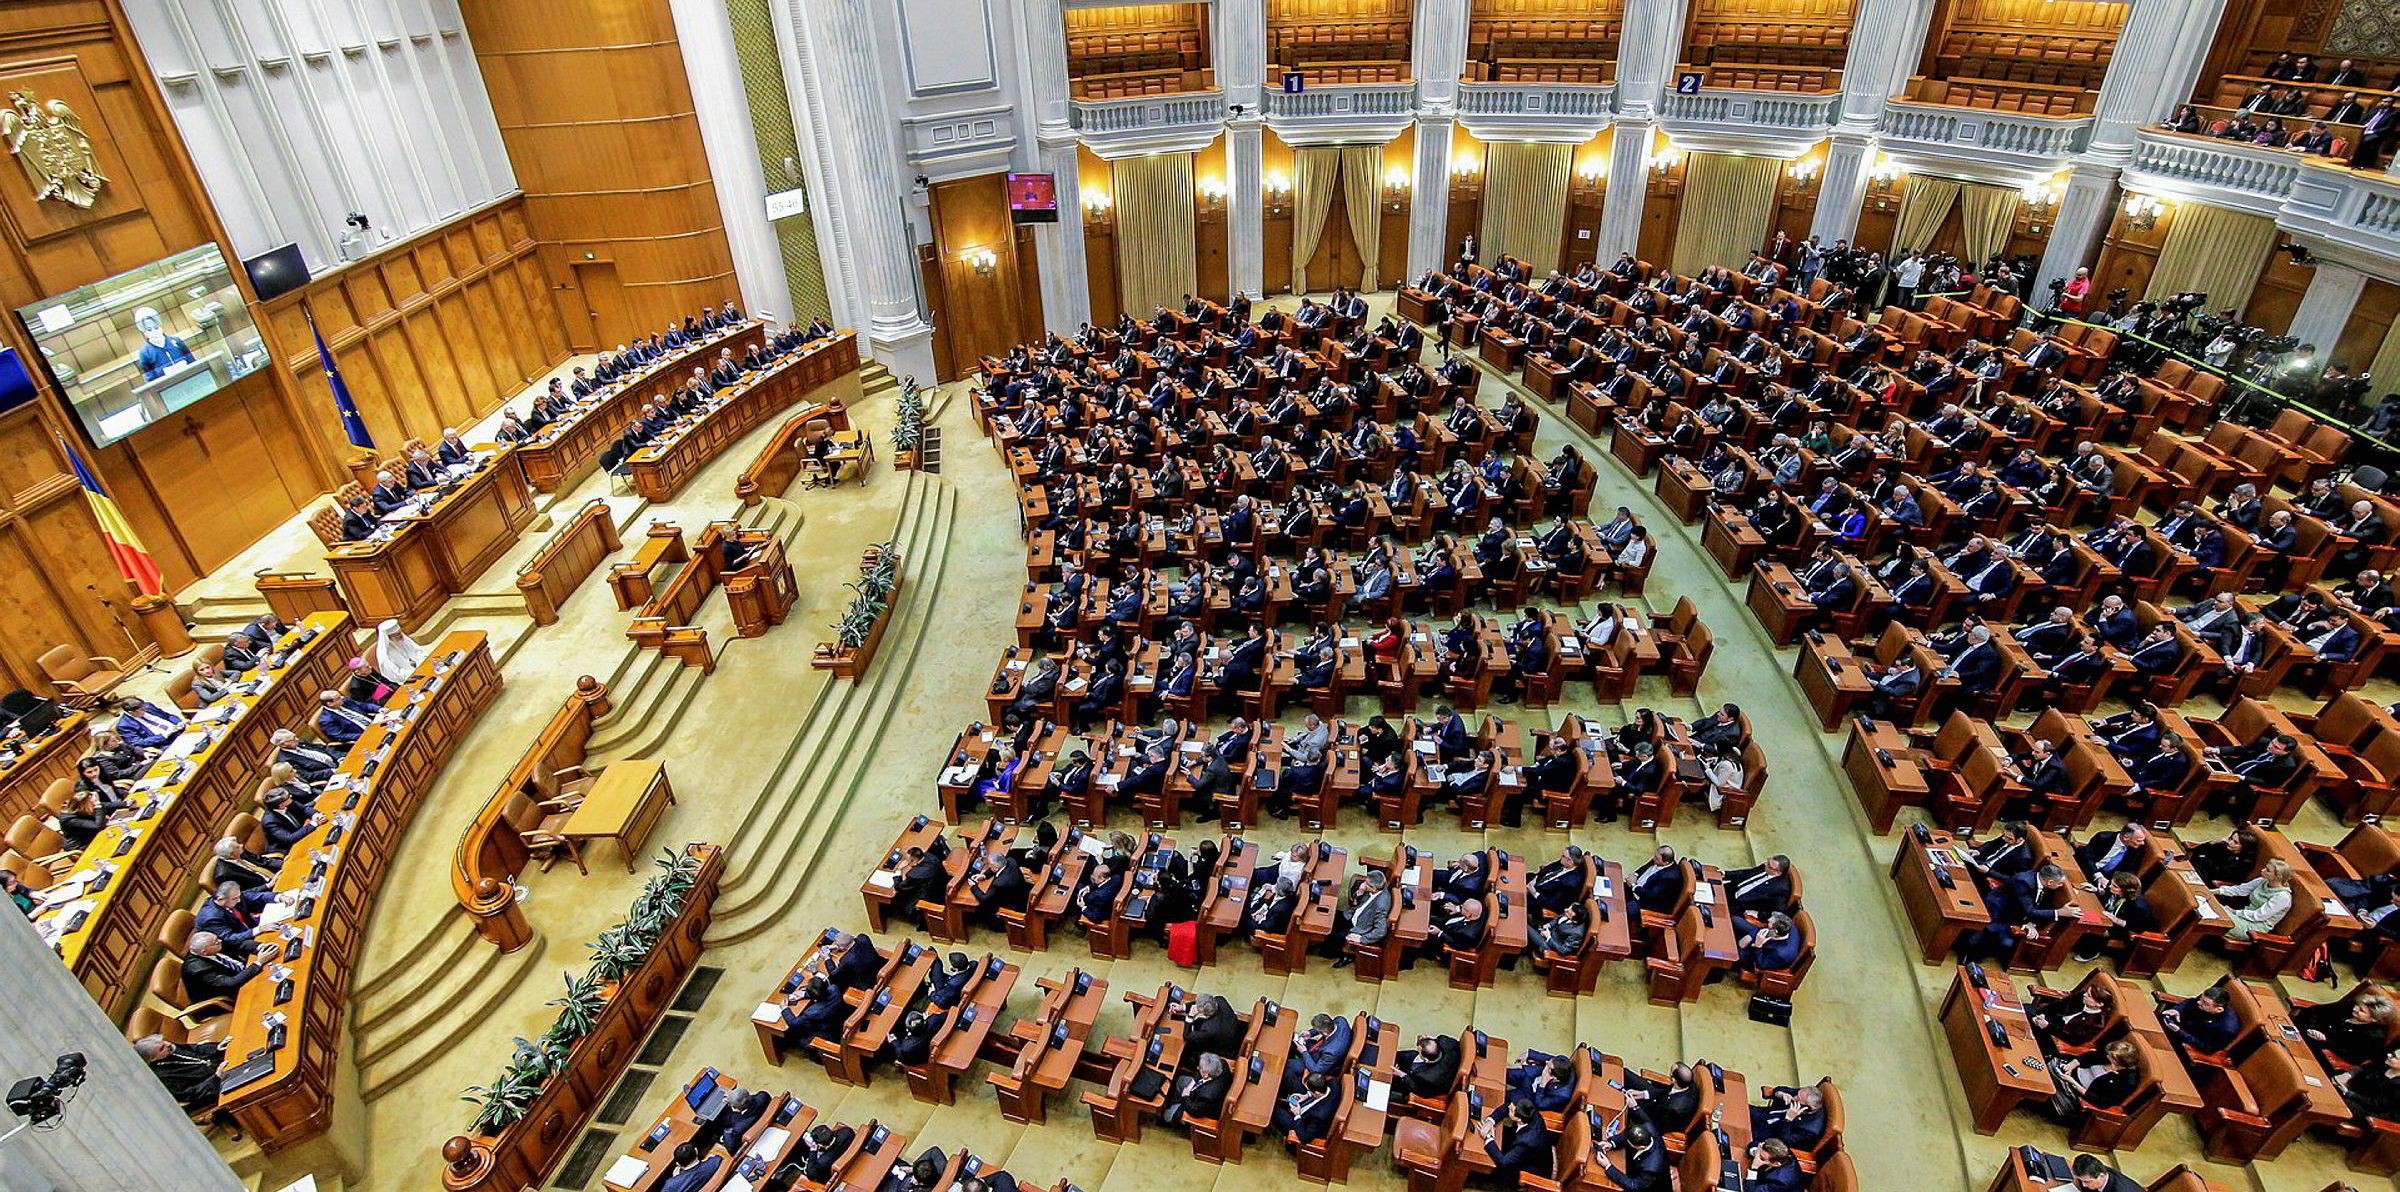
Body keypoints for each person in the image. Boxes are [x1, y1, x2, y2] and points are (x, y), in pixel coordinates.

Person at [134, 1033, 226, 1111]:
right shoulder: (163, 1078)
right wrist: (216, 1077)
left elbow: (194, 1048)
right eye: (162, 1048)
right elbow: (190, 1094)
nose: (168, 1044)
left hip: (218, 1065)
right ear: (153, 1059)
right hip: (214, 1088)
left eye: (164, 1041)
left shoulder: (168, 1049)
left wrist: (216, 1048)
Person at [130, 306, 195, 379]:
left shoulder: (176, 341)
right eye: (149, 330)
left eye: (156, 328)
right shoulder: (145, 352)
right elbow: (150, 378)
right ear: (144, 332)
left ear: (160, 326)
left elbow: (192, 361)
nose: (154, 332)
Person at [656, 1141, 721, 1192]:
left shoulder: (671, 1185)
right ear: (696, 1151)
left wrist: (676, 1178)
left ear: (678, 1164)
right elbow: (717, 1158)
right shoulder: (715, 1162)